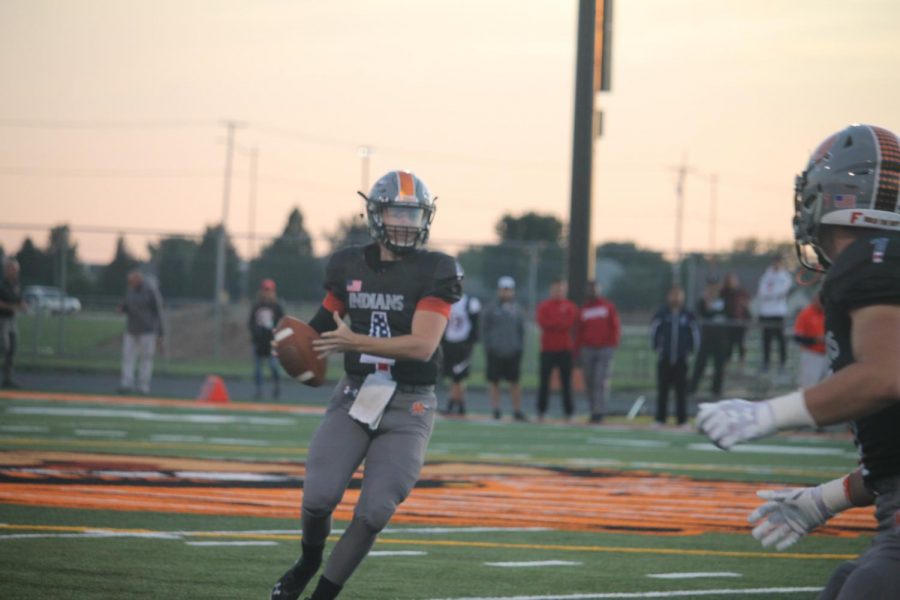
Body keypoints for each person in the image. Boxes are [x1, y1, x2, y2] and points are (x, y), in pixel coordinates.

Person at [697, 124, 900, 599]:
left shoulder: (871, 260)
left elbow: (885, 376)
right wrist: (821, 500)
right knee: (845, 584)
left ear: (832, 196)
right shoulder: (884, 259)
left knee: (866, 589)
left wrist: (768, 414)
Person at [269, 170, 462, 600]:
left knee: (375, 511)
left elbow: (422, 346)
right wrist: (290, 342)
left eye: (413, 215)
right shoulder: (348, 265)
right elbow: (322, 328)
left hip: (409, 405)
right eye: (397, 212)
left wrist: (357, 341)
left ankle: (324, 595)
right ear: (376, 214)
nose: (405, 223)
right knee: (318, 497)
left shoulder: (436, 270)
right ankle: (307, 561)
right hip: (355, 395)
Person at [650, 286, 699, 427]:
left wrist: (690, 351)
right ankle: (660, 418)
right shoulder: (662, 314)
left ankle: (682, 419)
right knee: (663, 390)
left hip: (681, 359)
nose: (675, 298)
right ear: (668, 296)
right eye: (673, 295)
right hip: (664, 358)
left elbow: (695, 334)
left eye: (678, 295)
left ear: (682, 297)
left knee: (681, 391)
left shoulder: (688, 315)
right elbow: (654, 332)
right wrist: (658, 349)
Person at [481, 276, 527, 421]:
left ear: (512, 291)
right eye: (503, 290)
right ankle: (496, 409)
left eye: (508, 290)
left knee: (515, 382)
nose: (505, 293)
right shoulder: (490, 308)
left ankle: (517, 410)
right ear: (498, 290)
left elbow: (522, 331)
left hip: (513, 351)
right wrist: (488, 346)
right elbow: (484, 329)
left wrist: (519, 347)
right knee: (494, 382)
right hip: (495, 351)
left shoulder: (518, 309)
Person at [575, 280, 620, 424]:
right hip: (588, 348)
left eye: (595, 289)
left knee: (600, 380)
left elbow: (615, 327)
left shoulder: (607, 307)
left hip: (604, 349)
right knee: (589, 381)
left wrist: (611, 345)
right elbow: (580, 331)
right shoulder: (584, 309)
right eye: (590, 289)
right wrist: (578, 349)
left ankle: (599, 411)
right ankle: (592, 409)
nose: (593, 291)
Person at [535, 280, 578, 421]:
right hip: (547, 349)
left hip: (565, 349)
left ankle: (569, 411)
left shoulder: (570, 307)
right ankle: (541, 411)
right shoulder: (544, 306)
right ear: (551, 290)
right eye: (556, 289)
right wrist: (559, 322)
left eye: (561, 290)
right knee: (544, 382)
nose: (558, 292)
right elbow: (543, 323)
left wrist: (557, 323)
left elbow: (570, 323)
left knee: (566, 382)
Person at [118, 270, 164, 395]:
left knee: (146, 359)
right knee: (128, 358)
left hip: (147, 331)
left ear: (138, 280)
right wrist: (122, 308)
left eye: (132, 281)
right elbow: (126, 305)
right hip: (131, 330)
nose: (130, 284)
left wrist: (160, 333)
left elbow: (158, 312)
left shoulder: (150, 291)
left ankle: (143, 386)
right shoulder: (130, 291)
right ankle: (126, 384)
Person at [439, 292, 481, 416]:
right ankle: (459, 405)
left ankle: (453, 404)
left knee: (458, 376)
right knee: (454, 377)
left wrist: (470, 344)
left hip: (463, 345)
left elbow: (475, 326)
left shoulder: (470, 303)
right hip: (449, 344)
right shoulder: (447, 301)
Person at [689, 277, 730, 399]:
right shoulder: (703, 301)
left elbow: (725, 314)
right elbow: (704, 313)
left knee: (719, 366)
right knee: (700, 364)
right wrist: (708, 303)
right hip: (707, 337)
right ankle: (691, 389)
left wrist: (714, 313)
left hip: (721, 338)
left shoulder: (724, 300)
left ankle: (716, 390)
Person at [755, 254, 792, 373]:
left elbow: (782, 292)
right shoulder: (766, 275)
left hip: (778, 313)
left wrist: (771, 295)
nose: (776, 264)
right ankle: (766, 363)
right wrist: (772, 295)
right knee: (766, 340)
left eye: (778, 261)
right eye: (774, 261)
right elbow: (762, 292)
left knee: (781, 340)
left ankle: (782, 364)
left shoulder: (785, 276)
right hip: (766, 312)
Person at [249, 278, 285, 400]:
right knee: (258, 368)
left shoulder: (276, 306)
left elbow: (282, 322)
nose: (267, 292)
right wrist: (255, 334)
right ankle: (259, 390)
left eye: (269, 290)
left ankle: (277, 387)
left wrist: (278, 337)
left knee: (274, 367)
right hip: (259, 342)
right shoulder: (257, 305)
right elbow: (251, 322)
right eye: (265, 290)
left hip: (272, 342)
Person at [792, 291, 828, 389]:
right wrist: (815, 340)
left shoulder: (828, 313)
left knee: (828, 385)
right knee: (808, 385)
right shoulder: (806, 314)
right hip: (812, 354)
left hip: (828, 354)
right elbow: (797, 337)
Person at [0, 257, 24, 389]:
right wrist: (10, 307)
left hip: (12, 320)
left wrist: (22, 305)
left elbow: (19, 300)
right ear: (6, 270)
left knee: (12, 349)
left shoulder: (15, 285)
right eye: (13, 269)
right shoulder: (1, 285)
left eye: (16, 270)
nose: (15, 272)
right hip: (2, 320)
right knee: (4, 346)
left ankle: (7, 379)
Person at [720, 272, 751, 369]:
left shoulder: (741, 293)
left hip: (740, 323)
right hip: (728, 323)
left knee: (741, 343)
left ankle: (742, 363)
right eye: (729, 280)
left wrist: (747, 319)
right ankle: (726, 363)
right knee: (728, 343)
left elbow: (746, 307)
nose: (731, 282)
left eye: (733, 280)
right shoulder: (723, 293)